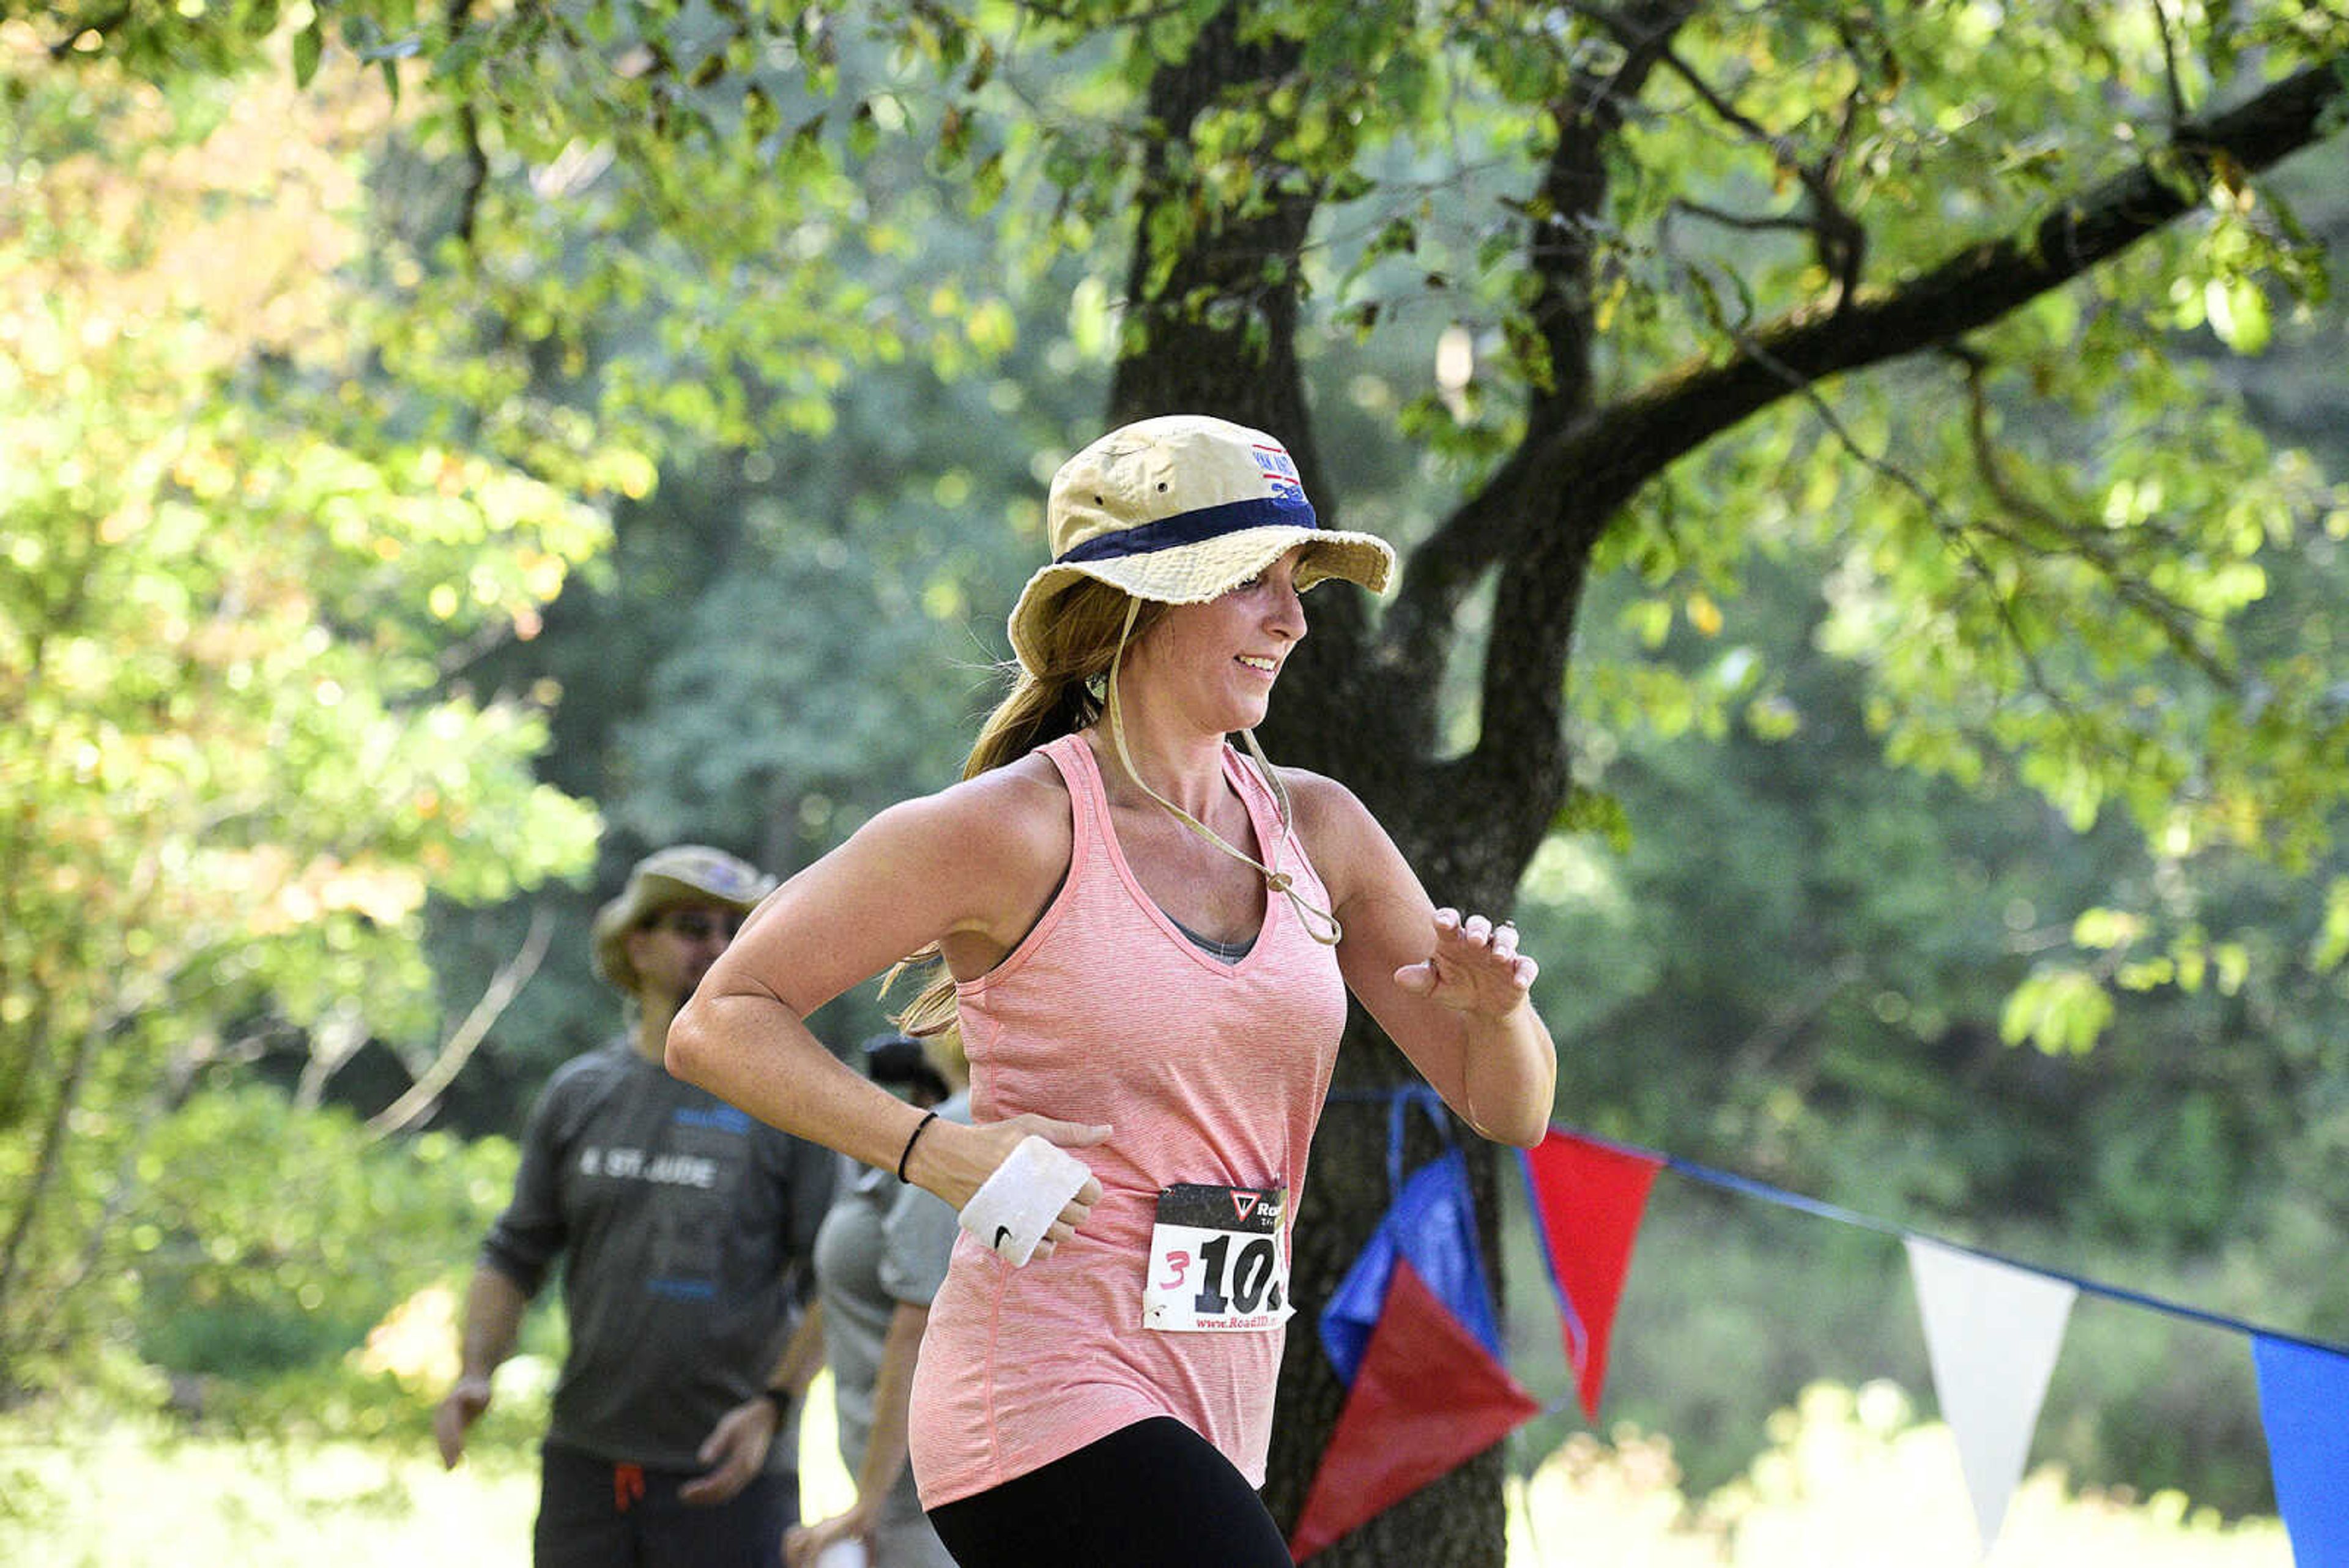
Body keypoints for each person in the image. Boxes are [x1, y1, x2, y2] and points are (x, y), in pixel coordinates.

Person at [667, 414, 1557, 1568]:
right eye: (1250, 581)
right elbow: (718, 1021)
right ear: (1141, 598)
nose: (1290, 618)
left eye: (1298, 583)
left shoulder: (1319, 827)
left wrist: (1500, 1013)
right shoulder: (1013, 828)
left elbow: (1510, 1107)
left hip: (1220, 1394)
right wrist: (937, 1150)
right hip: (1041, 1391)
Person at [435, 844, 836, 1568]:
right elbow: (514, 1250)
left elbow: (832, 1277)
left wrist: (775, 1405)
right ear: (636, 943)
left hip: (733, 1473)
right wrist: (475, 1370)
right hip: (588, 1464)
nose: (715, 945)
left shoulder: (788, 1096)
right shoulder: (580, 1094)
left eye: (731, 929)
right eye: (692, 925)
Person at [782, 1032, 970, 1568]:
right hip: (919, 1485)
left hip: (920, 1497)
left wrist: (868, 1502)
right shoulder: (970, 1123)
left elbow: (916, 1329)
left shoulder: (959, 1129)